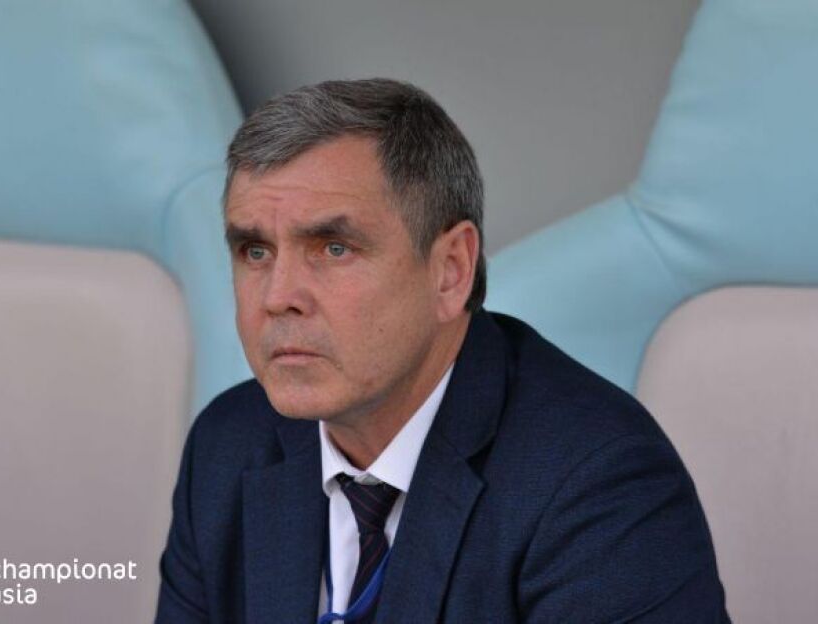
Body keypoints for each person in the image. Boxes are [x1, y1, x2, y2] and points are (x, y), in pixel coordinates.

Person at [155, 78, 730, 623]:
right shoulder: (229, 446)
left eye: (333, 248)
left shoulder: (599, 483)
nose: (278, 297)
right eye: (255, 251)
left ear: (451, 270)